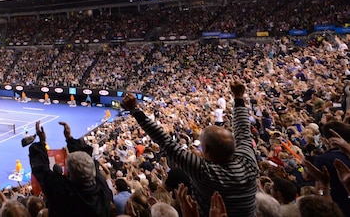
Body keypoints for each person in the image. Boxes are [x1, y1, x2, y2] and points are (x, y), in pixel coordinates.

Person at [121, 79, 258, 217]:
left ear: (207, 151)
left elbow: (165, 141)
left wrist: (134, 110)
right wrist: (239, 98)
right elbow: (243, 132)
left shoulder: (204, 171)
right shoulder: (248, 161)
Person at [28, 121, 113, 217]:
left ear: (70, 173)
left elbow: (40, 168)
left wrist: (42, 141)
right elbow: (89, 158)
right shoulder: (103, 190)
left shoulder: (63, 192)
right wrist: (70, 139)